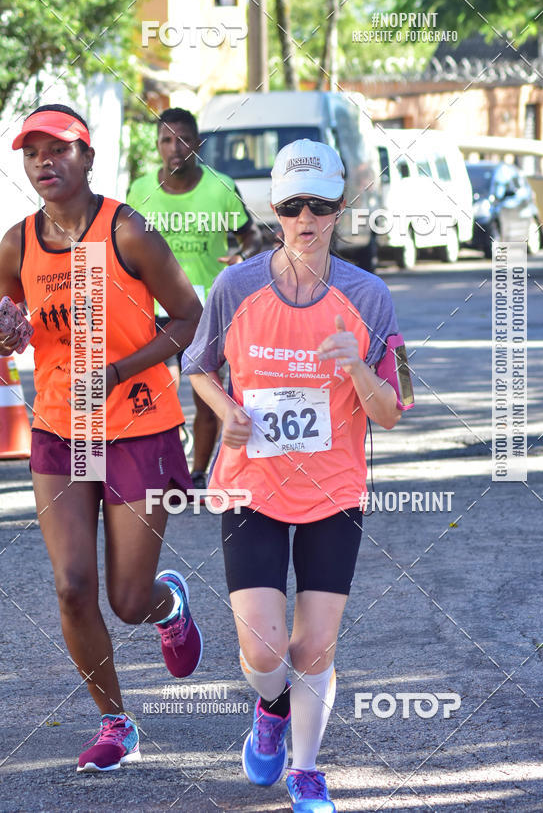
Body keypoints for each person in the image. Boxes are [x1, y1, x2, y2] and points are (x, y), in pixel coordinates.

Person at [183, 139, 405, 812]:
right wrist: (226, 411)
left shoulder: (370, 296)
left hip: (333, 489)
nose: (305, 219)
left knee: (314, 645)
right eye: (291, 206)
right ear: (274, 209)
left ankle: (305, 771)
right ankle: (272, 705)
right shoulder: (236, 286)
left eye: (319, 205)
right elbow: (198, 365)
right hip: (250, 483)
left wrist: (357, 367)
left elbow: (392, 410)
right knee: (265, 648)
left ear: (341, 207)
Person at [0, 104, 204, 772]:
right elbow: (9, 325)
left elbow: (189, 317)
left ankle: (168, 605)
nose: (45, 161)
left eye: (59, 148)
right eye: (33, 152)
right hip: (61, 429)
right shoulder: (16, 243)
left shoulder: (128, 231)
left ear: (88, 157)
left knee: (127, 599)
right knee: (71, 586)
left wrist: (117, 370)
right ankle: (116, 721)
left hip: (137, 427)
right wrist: (7, 335)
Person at [127, 108, 262, 489]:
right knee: (157, 391)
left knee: (208, 392)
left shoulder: (221, 187)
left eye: (183, 139)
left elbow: (250, 235)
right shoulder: (139, 190)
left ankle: (198, 473)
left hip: (207, 311)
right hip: (152, 309)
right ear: (157, 146)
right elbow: (123, 244)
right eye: (167, 140)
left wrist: (241, 257)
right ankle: (163, 466)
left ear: (197, 144)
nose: (175, 148)